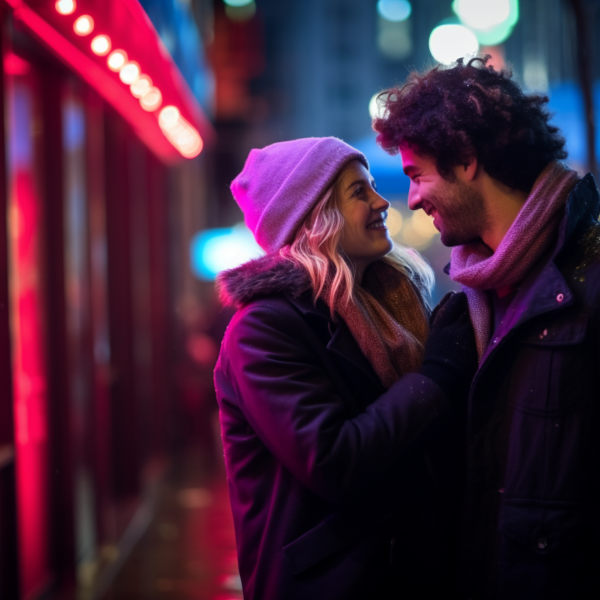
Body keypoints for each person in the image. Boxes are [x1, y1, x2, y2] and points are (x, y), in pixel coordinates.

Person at [374, 55, 600, 599]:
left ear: (467, 158)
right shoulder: (472, 303)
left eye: (417, 174)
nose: (413, 198)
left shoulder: (590, 282)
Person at [214, 137, 477, 600]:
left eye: (374, 187)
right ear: (314, 216)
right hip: (334, 583)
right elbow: (334, 460)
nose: (381, 203)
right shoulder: (262, 330)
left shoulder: (387, 301)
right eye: (359, 192)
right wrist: (437, 374)